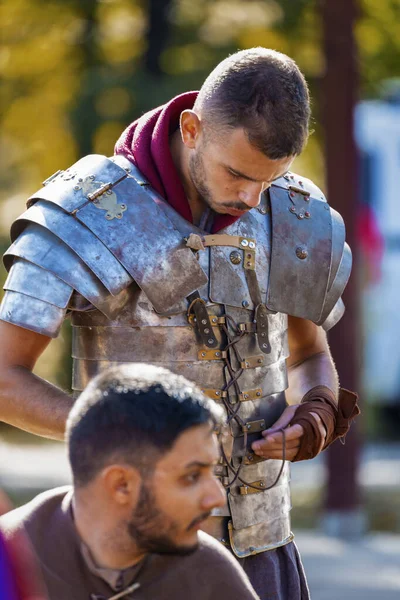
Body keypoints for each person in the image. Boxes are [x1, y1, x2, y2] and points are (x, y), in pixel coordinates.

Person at [0, 47, 360, 599]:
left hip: (263, 544)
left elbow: (310, 355)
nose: (249, 198)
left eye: (267, 180)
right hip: (129, 548)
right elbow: (4, 377)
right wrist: (114, 432)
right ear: (192, 128)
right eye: (237, 173)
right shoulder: (87, 210)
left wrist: (312, 412)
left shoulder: (292, 212)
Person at [0, 364, 260, 600]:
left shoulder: (208, 571)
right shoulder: (9, 568)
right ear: (121, 484)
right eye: (191, 476)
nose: (216, 497)